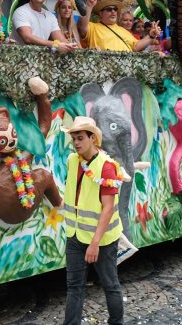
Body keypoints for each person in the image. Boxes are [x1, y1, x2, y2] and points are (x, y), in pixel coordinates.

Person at [61, 116, 124, 325]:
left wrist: (95, 243)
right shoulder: (72, 161)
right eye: (74, 139)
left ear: (92, 138)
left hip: (102, 240)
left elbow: (107, 208)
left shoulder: (107, 167)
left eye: (80, 138)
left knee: (109, 284)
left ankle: (116, 322)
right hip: (75, 235)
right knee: (74, 286)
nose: (76, 143)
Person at [11, 0, 76, 54]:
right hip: (20, 59)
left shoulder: (50, 16)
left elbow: (60, 38)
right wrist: (54, 44)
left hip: (41, 60)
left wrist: (71, 46)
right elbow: (27, 38)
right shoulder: (21, 11)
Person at [78, 0, 159, 52]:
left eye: (115, 9)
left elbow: (136, 47)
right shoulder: (93, 27)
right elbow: (82, 27)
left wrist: (151, 36)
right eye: (109, 9)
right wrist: (89, 7)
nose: (113, 12)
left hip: (126, 70)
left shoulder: (123, 30)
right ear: (101, 13)